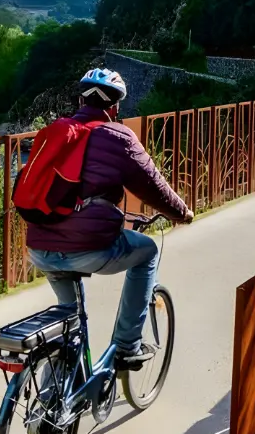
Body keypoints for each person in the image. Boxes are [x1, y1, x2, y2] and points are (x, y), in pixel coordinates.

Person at [25, 69, 193, 363]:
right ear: (115, 108)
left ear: (80, 100)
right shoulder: (119, 137)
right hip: (87, 247)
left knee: (70, 323)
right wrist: (182, 213)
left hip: (39, 246)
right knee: (147, 252)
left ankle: (56, 399)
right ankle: (128, 345)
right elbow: (153, 186)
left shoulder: (56, 132)